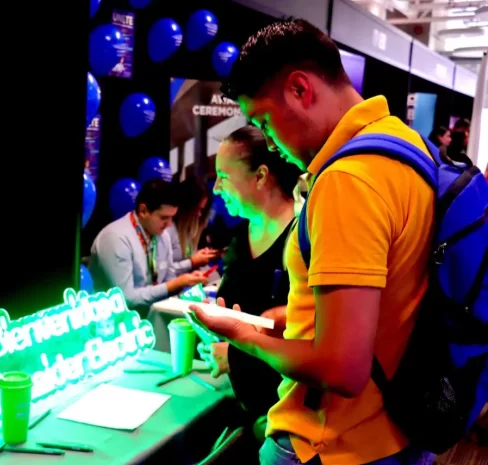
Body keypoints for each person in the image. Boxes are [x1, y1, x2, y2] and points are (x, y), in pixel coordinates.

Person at [192, 18, 436, 465]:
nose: (270, 143)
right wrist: (299, 316)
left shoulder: (347, 181)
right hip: (395, 430)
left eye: (265, 122)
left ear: (300, 89)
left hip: (329, 442)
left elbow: (342, 369)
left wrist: (243, 337)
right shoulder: (406, 146)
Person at [199, 125, 302, 439]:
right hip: (249, 410)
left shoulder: (303, 241)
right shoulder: (240, 238)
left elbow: (310, 344)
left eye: (223, 177)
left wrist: (235, 357)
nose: (217, 188)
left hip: (288, 425)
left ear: (260, 176)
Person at [88, 179, 208, 313]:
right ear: (143, 210)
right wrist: (175, 284)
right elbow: (126, 299)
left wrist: (188, 292)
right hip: (113, 318)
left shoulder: (162, 235)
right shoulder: (115, 237)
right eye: (164, 218)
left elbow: (169, 277)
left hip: (151, 312)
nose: (169, 224)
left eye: (172, 218)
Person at [168, 176, 218, 275]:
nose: (199, 215)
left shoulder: (190, 230)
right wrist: (192, 262)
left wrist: (200, 256)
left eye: (202, 210)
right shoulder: (168, 230)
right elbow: (162, 273)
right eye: (197, 209)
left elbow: (188, 257)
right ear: (186, 206)